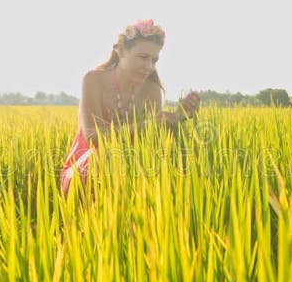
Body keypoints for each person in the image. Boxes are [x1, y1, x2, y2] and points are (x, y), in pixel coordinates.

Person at [60, 19, 201, 195]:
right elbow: (93, 137)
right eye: (143, 57)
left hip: (129, 169)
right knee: (108, 158)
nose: (149, 66)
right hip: (86, 168)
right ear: (121, 51)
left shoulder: (153, 91)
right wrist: (151, 124)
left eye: (154, 60)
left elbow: (147, 145)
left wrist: (178, 119)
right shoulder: (93, 79)